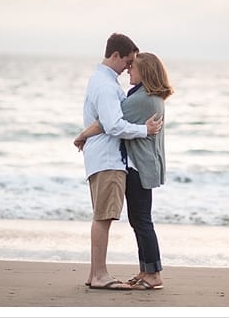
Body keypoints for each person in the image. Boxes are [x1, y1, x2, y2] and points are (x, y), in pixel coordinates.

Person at [75, 52, 174, 291]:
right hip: (143, 165)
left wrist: (81, 136)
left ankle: (153, 275)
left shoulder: (143, 98)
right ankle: (146, 270)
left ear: (146, 72)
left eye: (134, 67)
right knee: (140, 220)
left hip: (139, 167)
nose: (129, 70)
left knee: (142, 221)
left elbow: (107, 122)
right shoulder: (149, 96)